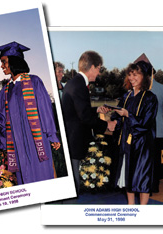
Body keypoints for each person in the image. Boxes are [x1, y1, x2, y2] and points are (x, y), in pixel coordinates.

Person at [0, 41, 60, 185]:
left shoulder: (34, 81)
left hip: (36, 141)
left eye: (4, 62)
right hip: (17, 144)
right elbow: (1, 116)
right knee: (24, 179)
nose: (1, 66)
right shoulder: (6, 89)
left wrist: (52, 135)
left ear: (14, 61)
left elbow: (45, 109)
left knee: (42, 176)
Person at [62, 50, 116, 195]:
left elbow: (79, 110)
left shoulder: (74, 83)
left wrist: (96, 110)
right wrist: (107, 125)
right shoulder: (79, 86)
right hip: (74, 142)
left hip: (72, 140)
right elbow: (84, 117)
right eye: (99, 69)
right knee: (74, 190)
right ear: (92, 67)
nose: (99, 73)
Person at [111, 60, 158, 205]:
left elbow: (145, 123)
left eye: (135, 74)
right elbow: (118, 118)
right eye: (130, 75)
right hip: (127, 143)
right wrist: (113, 118)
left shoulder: (150, 98)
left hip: (143, 145)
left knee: (142, 177)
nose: (131, 78)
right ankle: (131, 207)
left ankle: (142, 210)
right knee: (128, 175)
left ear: (144, 76)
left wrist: (127, 115)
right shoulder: (126, 96)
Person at [134, 53, 163, 193]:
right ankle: (153, 187)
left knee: (142, 161)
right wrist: (157, 115)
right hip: (159, 131)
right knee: (155, 160)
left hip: (142, 131)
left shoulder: (138, 89)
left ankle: (142, 188)